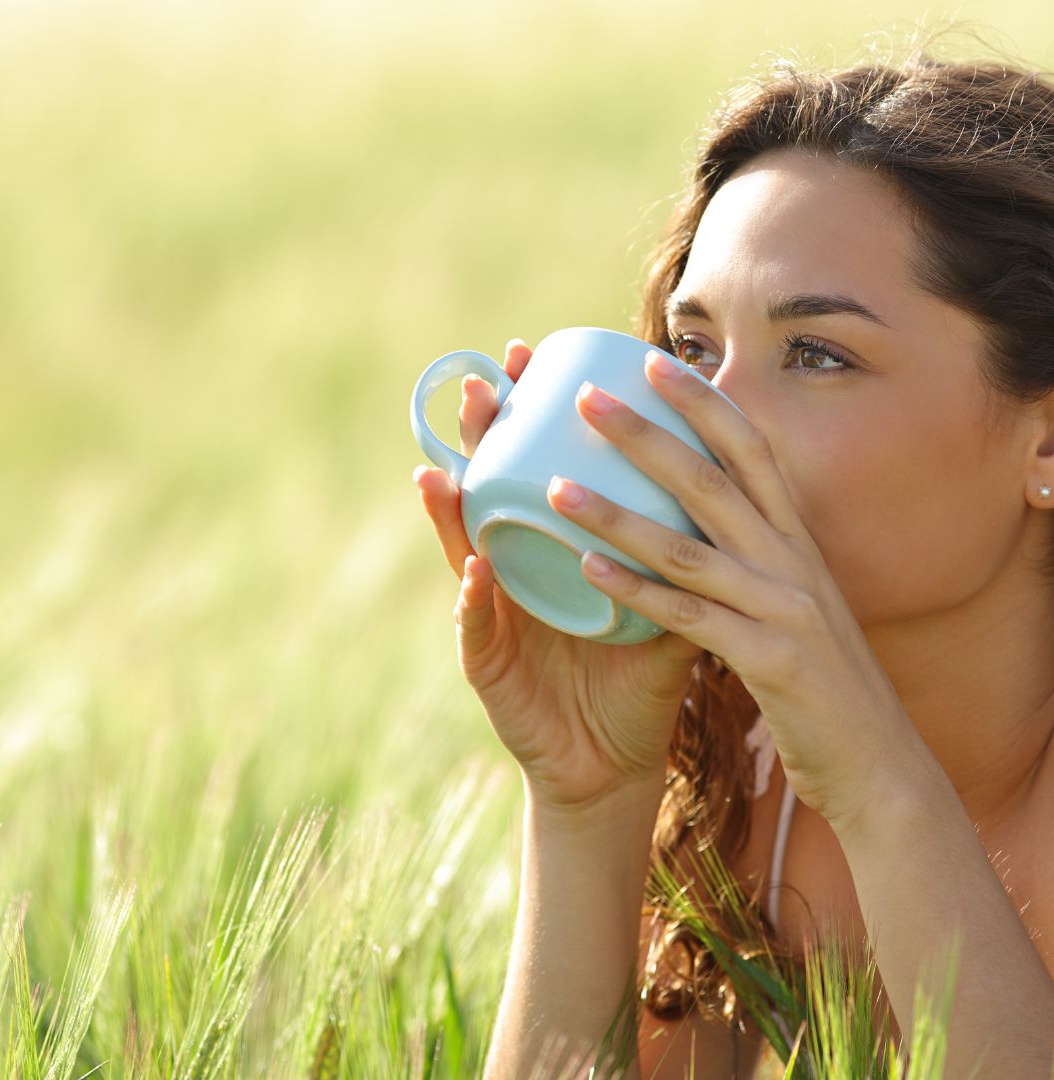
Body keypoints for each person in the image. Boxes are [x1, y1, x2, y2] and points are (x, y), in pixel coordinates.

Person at [413, 40, 1054, 1080]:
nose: (710, 416)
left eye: (817, 355)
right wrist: (589, 799)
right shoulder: (739, 769)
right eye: (695, 348)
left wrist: (880, 784)